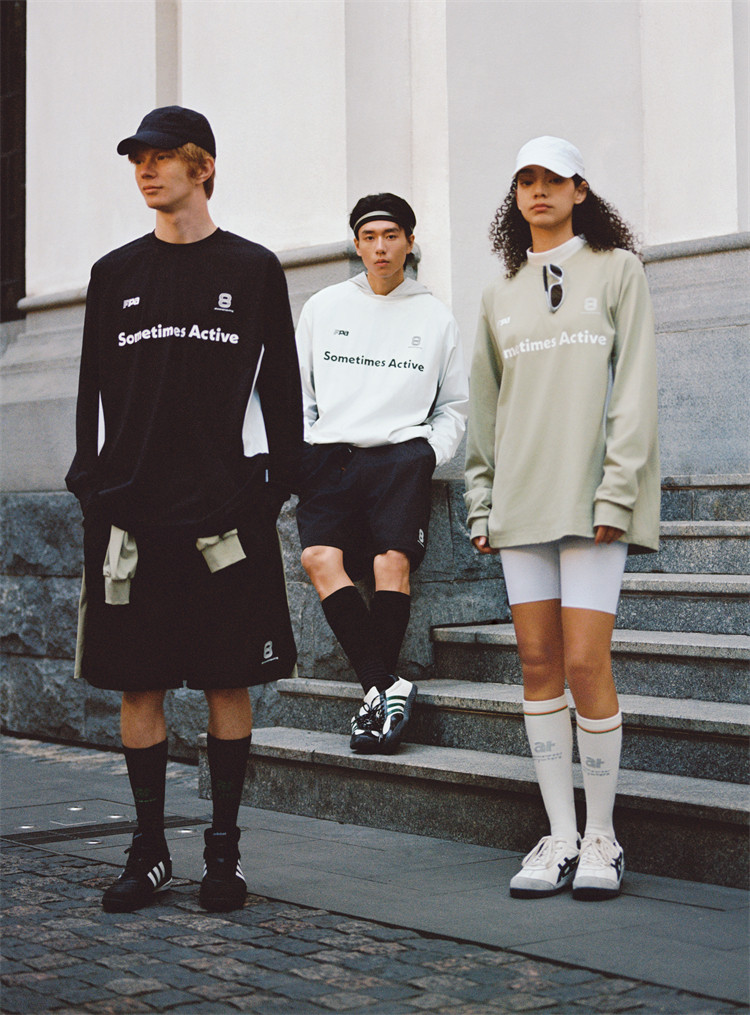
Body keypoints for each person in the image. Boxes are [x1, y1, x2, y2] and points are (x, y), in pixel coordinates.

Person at [65, 106, 302, 914]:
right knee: (140, 687)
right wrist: (92, 487)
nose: (145, 169)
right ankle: (148, 849)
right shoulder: (113, 274)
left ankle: (223, 855)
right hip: (131, 520)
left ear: (203, 168)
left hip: (223, 521)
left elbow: (281, 389)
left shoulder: (254, 269)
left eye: (163, 157)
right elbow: (91, 394)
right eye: (138, 157)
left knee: (228, 681)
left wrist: (270, 488)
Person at [465, 137, 659, 901]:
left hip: (593, 500)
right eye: (526, 180)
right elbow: (485, 406)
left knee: (584, 661)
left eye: (554, 178)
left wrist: (618, 490)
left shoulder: (618, 270)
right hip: (520, 500)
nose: (539, 190)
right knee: (538, 661)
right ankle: (561, 835)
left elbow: (634, 387)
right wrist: (481, 499)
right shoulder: (498, 292)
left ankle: (603, 834)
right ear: (514, 196)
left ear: (580, 189)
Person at [295, 193, 468, 754]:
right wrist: (305, 450)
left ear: (410, 242)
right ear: (356, 244)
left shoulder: (435, 316)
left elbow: (454, 405)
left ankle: (375, 703)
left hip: (399, 458)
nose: (380, 248)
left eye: (391, 235)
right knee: (319, 558)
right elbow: (299, 390)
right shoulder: (324, 306)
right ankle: (384, 688)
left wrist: (427, 454)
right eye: (369, 237)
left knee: (390, 563)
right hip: (331, 457)